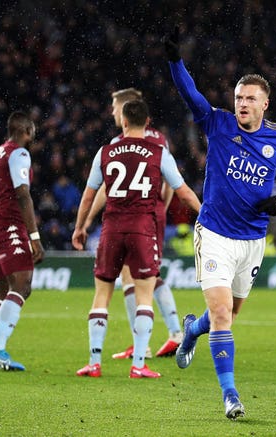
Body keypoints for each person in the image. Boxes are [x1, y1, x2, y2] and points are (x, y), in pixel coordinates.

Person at [163, 27, 276, 419]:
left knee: (228, 313)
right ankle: (230, 395)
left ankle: (192, 330)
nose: (242, 103)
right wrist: (176, 61)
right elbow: (190, 94)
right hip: (215, 235)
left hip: (253, 240)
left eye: (250, 99)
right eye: (239, 97)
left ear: (265, 104)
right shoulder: (218, 124)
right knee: (224, 314)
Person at [72, 99, 200, 379]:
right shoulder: (159, 152)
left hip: (112, 228)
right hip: (143, 228)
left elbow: (89, 195)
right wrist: (205, 214)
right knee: (144, 295)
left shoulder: (106, 151)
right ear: (148, 122)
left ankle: (94, 363)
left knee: (102, 294)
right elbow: (183, 192)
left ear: (124, 122)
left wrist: (80, 227)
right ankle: (139, 364)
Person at [0, 111, 45, 371]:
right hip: (9, 224)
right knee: (22, 286)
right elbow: (23, 195)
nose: (35, 134)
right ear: (25, 129)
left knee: (4, 292)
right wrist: (34, 237)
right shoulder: (19, 153)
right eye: (33, 129)